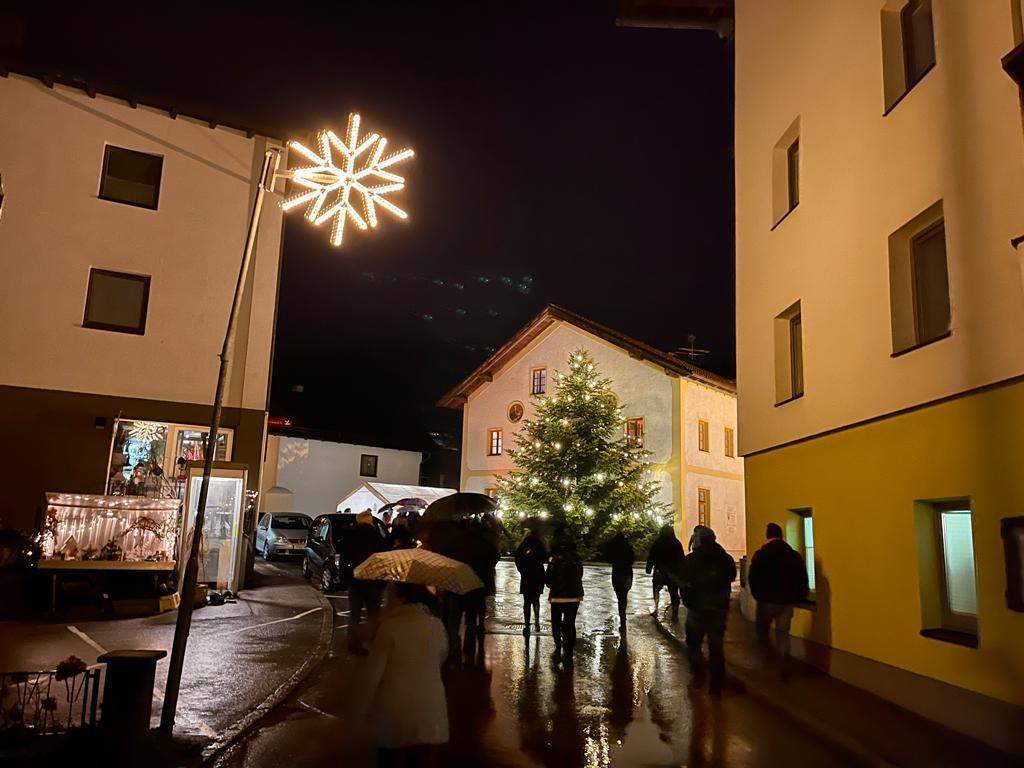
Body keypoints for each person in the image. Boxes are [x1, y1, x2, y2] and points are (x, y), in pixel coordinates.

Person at [362, 582, 449, 767]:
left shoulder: (390, 627)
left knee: (389, 760)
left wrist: (360, 710)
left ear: (398, 599)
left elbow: (372, 675)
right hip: (429, 711)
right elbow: (441, 656)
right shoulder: (435, 625)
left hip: (394, 713)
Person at [679, 526, 737, 695]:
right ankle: (716, 685)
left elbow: (683, 581)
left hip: (698, 610)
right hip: (719, 609)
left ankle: (699, 676)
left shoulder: (692, 559)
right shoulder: (725, 558)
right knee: (716, 647)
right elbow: (731, 576)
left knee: (693, 644)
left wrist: (689, 599)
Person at [748, 522, 808, 673]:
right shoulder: (793, 555)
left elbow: (753, 577)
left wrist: (757, 595)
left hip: (766, 601)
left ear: (768, 536)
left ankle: (765, 665)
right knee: (783, 634)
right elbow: (802, 578)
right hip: (786, 602)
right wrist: (800, 597)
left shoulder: (761, 555)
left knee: (762, 633)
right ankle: (783, 664)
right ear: (781, 536)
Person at [344, 511, 389, 653]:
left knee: (354, 614)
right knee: (373, 614)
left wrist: (347, 578)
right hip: (374, 581)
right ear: (370, 521)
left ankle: (353, 642)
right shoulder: (378, 537)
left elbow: (345, 558)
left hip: (356, 580)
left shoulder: (351, 536)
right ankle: (371, 641)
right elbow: (385, 557)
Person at [545, 534, 584, 668]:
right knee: (570, 623)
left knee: (556, 622)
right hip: (574, 596)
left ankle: (558, 646)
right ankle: (568, 651)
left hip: (557, 596)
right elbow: (580, 575)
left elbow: (548, 580)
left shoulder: (554, 560)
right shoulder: (576, 559)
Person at [646, 524, 684, 621]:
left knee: (656, 589)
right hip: (673, 573)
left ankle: (656, 608)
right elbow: (681, 559)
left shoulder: (658, 542)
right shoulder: (676, 543)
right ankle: (675, 614)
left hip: (660, 571)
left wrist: (649, 567)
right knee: (674, 593)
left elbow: (652, 556)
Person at [514, 529, 547, 637]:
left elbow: (517, 557)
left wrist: (522, 570)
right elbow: (545, 557)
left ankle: (527, 625)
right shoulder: (540, 544)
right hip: (538, 575)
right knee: (536, 599)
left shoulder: (525, 543)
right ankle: (536, 622)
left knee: (527, 601)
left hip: (527, 575)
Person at [602, 532, 635, 632]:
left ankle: (623, 620)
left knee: (620, 597)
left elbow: (608, 558)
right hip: (627, 574)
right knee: (623, 597)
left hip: (617, 573)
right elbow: (632, 559)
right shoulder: (628, 547)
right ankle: (623, 619)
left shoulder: (614, 548)